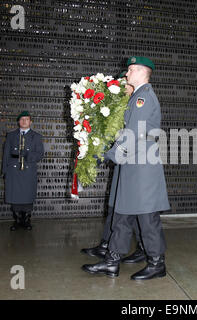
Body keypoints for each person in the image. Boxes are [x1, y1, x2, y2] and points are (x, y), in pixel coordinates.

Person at [82, 56, 170, 280]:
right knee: (122, 215)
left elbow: (133, 134)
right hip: (132, 165)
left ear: (142, 72)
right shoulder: (136, 98)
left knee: (147, 218)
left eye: (130, 70)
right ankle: (112, 261)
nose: (127, 74)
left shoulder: (144, 98)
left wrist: (107, 155)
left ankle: (157, 263)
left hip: (142, 167)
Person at [81, 76, 146, 264]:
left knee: (134, 210)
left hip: (134, 163)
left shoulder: (135, 108)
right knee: (115, 206)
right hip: (121, 162)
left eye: (126, 85)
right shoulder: (120, 108)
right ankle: (106, 245)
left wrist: (103, 155)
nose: (123, 88)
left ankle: (142, 248)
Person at [2, 111, 44, 231]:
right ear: (18, 122)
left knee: (27, 195)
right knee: (15, 196)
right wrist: (5, 170)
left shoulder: (36, 136)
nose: (24, 121)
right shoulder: (11, 135)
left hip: (28, 169)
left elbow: (40, 154)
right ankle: (17, 220)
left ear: (30, 122)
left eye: (26, 119)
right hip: (13, 170)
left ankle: (26, 220)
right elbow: (6, 155)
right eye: (22, 119)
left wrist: (28, 155)